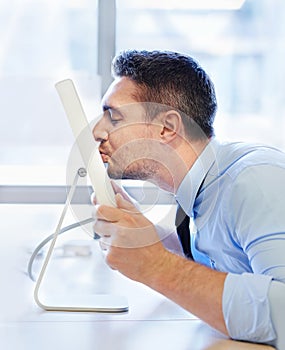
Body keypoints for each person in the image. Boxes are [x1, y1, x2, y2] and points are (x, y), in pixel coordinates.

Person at [92, 49, 285, 348]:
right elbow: (229, 261)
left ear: (167, 128)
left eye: (113, 117)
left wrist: (157, 266)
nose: (96, 131)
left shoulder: (254, 180)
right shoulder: (199, 192)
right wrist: (151, 241)